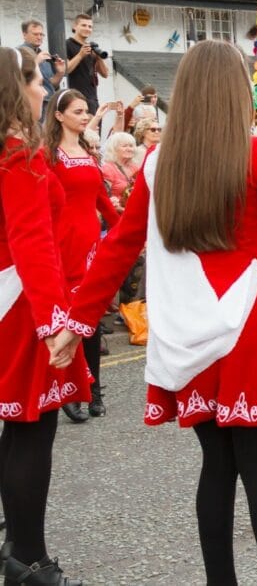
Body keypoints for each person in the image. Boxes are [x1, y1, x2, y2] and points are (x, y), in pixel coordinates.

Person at [50, 40, 257, 586]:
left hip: (186, 328)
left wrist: (78, 320)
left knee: (216, 466)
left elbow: (120, 247)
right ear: (235, 95)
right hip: (248, 323)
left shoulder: (160, 163)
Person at [0, 45, 87, 586]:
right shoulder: (19, 154)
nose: (44, 88)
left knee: (15, 430)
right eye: (36, 79)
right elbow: (34, 242)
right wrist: (55, 319)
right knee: (30, 430)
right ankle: (28, 559)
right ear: (14, 87)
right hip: (25, 305)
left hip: (10, 300)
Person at [44, 88, 121, 420]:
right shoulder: (50, 155)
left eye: (86, 111)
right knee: (68, 318)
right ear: (59, 116)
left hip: (92, 244)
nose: (85, 116)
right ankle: (68, 387)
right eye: (77, 111)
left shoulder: (89, 154)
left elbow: (102, 201)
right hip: (63, 245)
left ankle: (94, 389)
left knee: (89, 318)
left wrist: (126, 232)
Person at [64, 14, 108, 115]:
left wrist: (98, 57)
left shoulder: (91, 47)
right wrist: (80, 55)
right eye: (83, 25)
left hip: (93, 99)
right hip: (75, 99)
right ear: (74, 26)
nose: (87, 29)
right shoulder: (67, 44)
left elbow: (105, 74)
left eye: (90, 26)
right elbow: (65, 70)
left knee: (94, 130)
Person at [18, 19, 65, 105]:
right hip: (30, 102)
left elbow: (50, 85)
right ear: (24, 35)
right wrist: (36, 62)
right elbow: (17, 80)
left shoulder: (43, 54)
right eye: (35, 34)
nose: (39, 37)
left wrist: (60, 73)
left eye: (41, 34)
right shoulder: (18, 53)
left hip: (48, 102)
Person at [101, 131, 140, 211]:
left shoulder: (135, 168)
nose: (129, 149)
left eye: (131, 146)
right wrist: (124, 211)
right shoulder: (108, 168)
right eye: (124, 146)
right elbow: (104, 198)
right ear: (114, 149)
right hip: (117, 215)